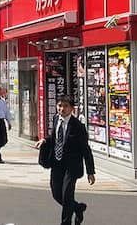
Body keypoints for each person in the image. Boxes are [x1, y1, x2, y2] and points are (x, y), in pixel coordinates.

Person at [35, 95, 95, 225]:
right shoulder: (56, 119)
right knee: (57, 194)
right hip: (57, 163)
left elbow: (86, 149)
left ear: (72, 109)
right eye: (60, 105)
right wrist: (45, 140)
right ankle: (78, 208)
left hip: (72, 166)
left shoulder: (78, 127)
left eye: (66, 106)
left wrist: (91, 171)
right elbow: (54, 137)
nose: (62, 109)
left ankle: (65, 222)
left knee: (67, 194)